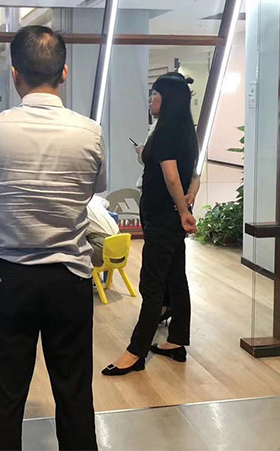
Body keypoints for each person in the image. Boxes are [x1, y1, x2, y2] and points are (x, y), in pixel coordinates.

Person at [0, 25, 104, 451]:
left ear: (15, 75)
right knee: (74, 393)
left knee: (7, 396)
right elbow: (93, 190)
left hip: (9, 276)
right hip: (70, 276)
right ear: (64, 73)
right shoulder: (90, 131)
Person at [103, 74, 199, 376]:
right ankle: (176, 341)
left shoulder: (167, 130)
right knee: (176, 277)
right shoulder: (185, 129)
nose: (150, 100)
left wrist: (182, 211)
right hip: (169, 215)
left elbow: (171, 176)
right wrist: (187, 202)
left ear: (166, 99)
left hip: (162, 216)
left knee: (152, 282)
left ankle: (136, 352)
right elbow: (193, 174)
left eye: (154, 94)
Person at [86, 195, 119, 268]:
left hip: (103, 250)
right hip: (120, 248)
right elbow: (107, 204)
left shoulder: (75, 206)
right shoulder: (95, 198)